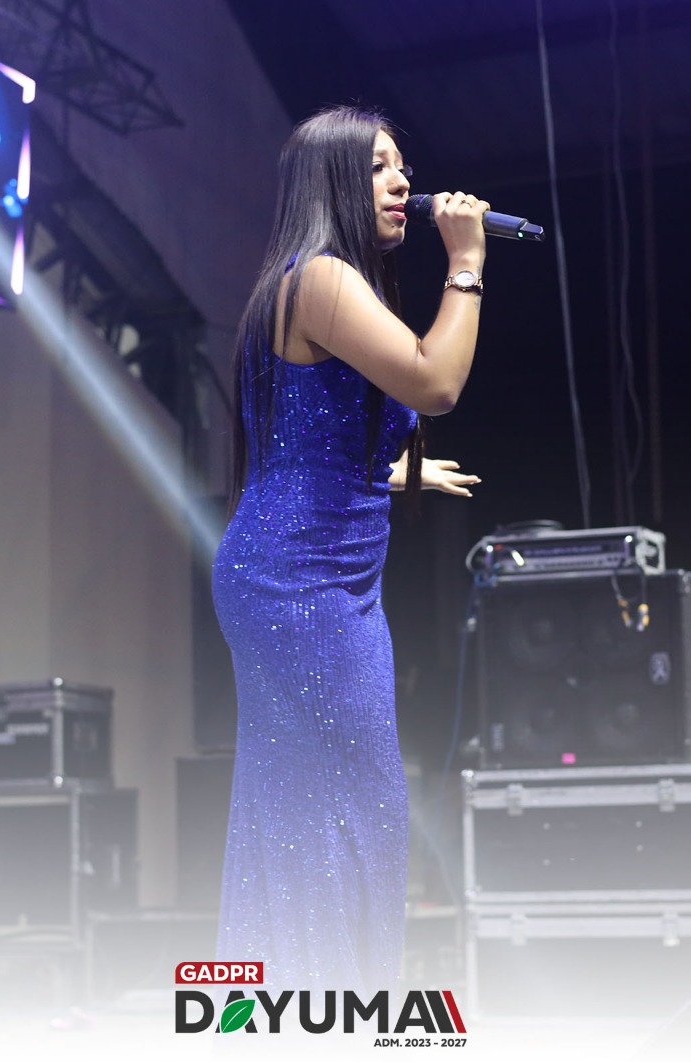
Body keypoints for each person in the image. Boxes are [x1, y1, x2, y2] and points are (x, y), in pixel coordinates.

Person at [212, 105, 489, 993]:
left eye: (402, 165)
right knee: (343, 806)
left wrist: (397, 471)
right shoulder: (321, 279)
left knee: (314, 803)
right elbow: (435, 382)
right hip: (300, 580)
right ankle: (329, 1006)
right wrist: (468, 263)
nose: (403, 182)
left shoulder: (306, 283)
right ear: (331, 183)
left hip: (305, 569)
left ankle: (295, 1007)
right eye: (377, 167)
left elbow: (305, 441)